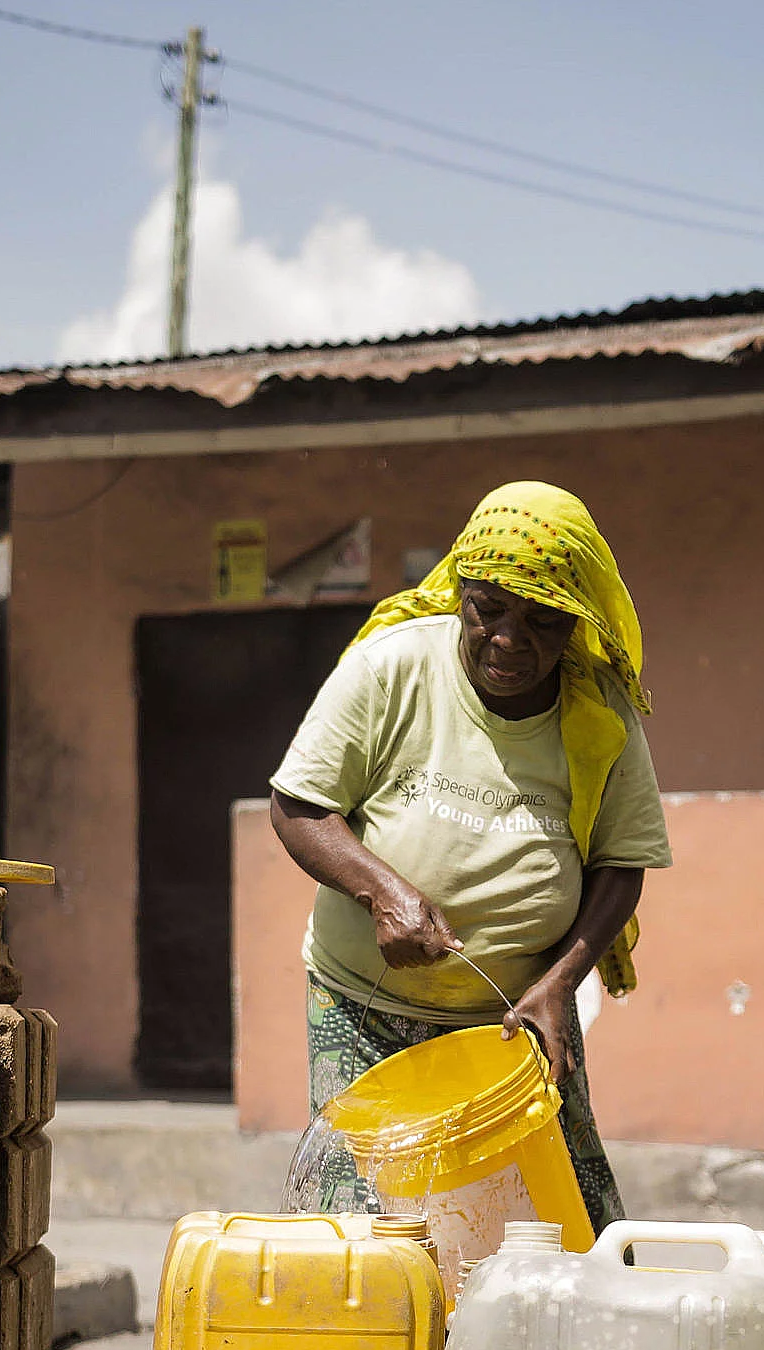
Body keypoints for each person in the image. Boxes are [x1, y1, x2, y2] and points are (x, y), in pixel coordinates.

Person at [268, 481, 670, 1228]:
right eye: (489, 608)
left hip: (519, 1022)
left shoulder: (599, 711)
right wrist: (384, 893)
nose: (511, 639)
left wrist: (559, 984)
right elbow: (299, 807)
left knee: (550, 1231)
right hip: (364, 1014)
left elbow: (622, 863)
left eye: (542, 619)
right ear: (460, 593)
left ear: (576, 624)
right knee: (378, 1235)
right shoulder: (392, 667)